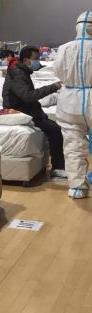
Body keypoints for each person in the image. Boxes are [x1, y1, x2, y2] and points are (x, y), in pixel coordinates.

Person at [3, 46, 65, 178]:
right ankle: (58, 168)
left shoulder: (22, 71)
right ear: (26, 60)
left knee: (54, 126)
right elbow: (28, 96)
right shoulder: (18, 74)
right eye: (35, 59)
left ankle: (57, 166)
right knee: (55, 130)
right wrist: (53, 87)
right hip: (20, 112)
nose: (38, 61)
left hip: (26, 110)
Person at [54, 11, 92, 199]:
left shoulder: (64, 49)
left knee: (73, 146)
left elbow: (58, 72)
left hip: (69, 101)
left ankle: (77, 188)